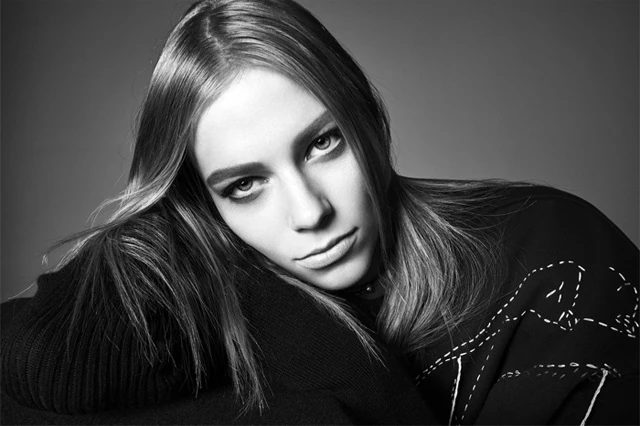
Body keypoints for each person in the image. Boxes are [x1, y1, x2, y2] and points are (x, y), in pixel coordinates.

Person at [1, 0, 637, 424]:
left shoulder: (546, 250)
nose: (310, 212)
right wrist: (156, 242)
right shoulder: (209, 294)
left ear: (365, 116)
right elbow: (44, 369)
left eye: (323, 144)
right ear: (201, 203)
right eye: (245, 185)